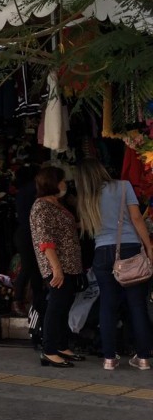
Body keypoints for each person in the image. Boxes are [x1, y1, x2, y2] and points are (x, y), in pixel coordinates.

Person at [75, 158, 153, 371]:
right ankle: (143, 358)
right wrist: (149, 247)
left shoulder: (86, 197)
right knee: (137, 305)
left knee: (107, 305)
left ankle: (109, 358)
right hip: (129, 250)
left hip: (101, 253)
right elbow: (137, 219)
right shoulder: (122, 186)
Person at [29, 166, 84, 368]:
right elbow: (45, 241)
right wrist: (57, 268)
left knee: (64, 306)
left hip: (69, 265)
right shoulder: (42, 206)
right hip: (57, 266)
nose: (65, 184)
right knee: (56, 306)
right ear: (52, 182)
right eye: (62, 180)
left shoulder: (56, 204)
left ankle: (61, 345)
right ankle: (49, 350)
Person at [12, 164, 44, 318]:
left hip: (23, 233)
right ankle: (22, 299)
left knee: (30, 267)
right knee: (31, 267)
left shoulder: (22, 192)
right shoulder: (33, 189)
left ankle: (29, 299)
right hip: (30, 233)